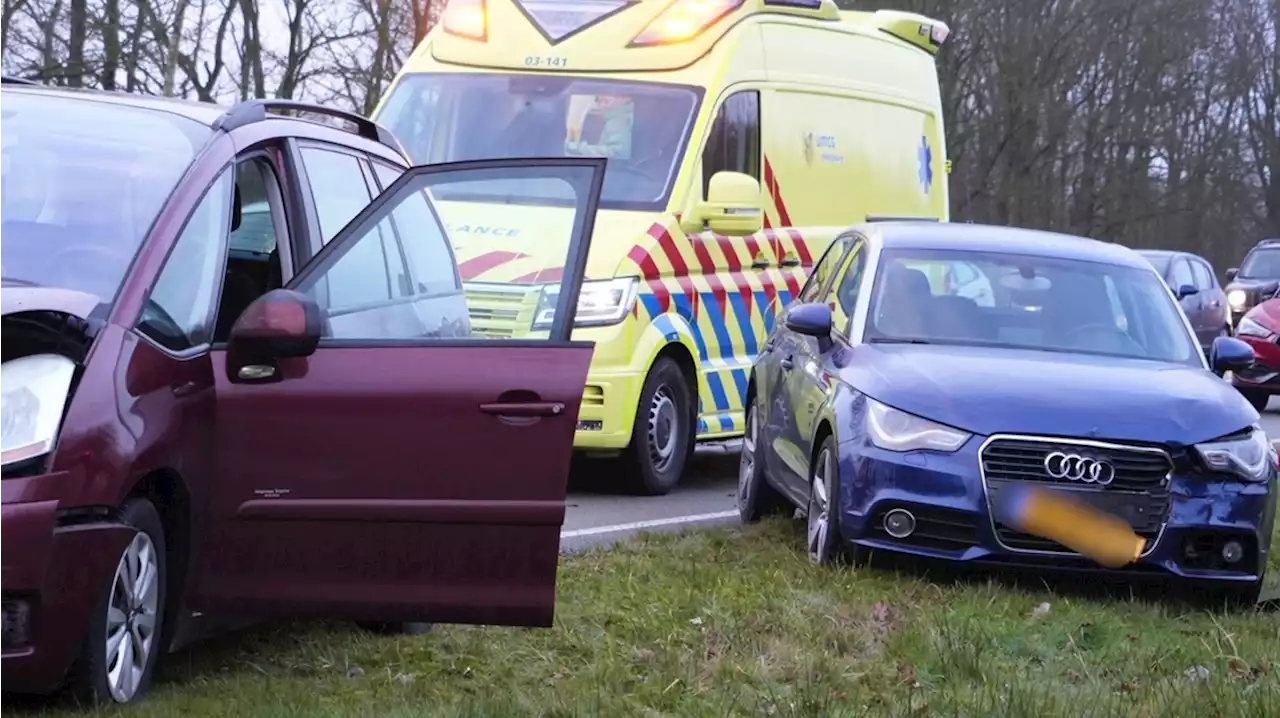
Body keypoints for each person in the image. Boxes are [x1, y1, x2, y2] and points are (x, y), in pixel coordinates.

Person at [565, 94, 634, 159]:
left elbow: (616, 153)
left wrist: (576, 148)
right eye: (599, 101)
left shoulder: (621, 120)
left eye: (606, 101)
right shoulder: (616, 118)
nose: (602, 105)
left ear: (625, 98)